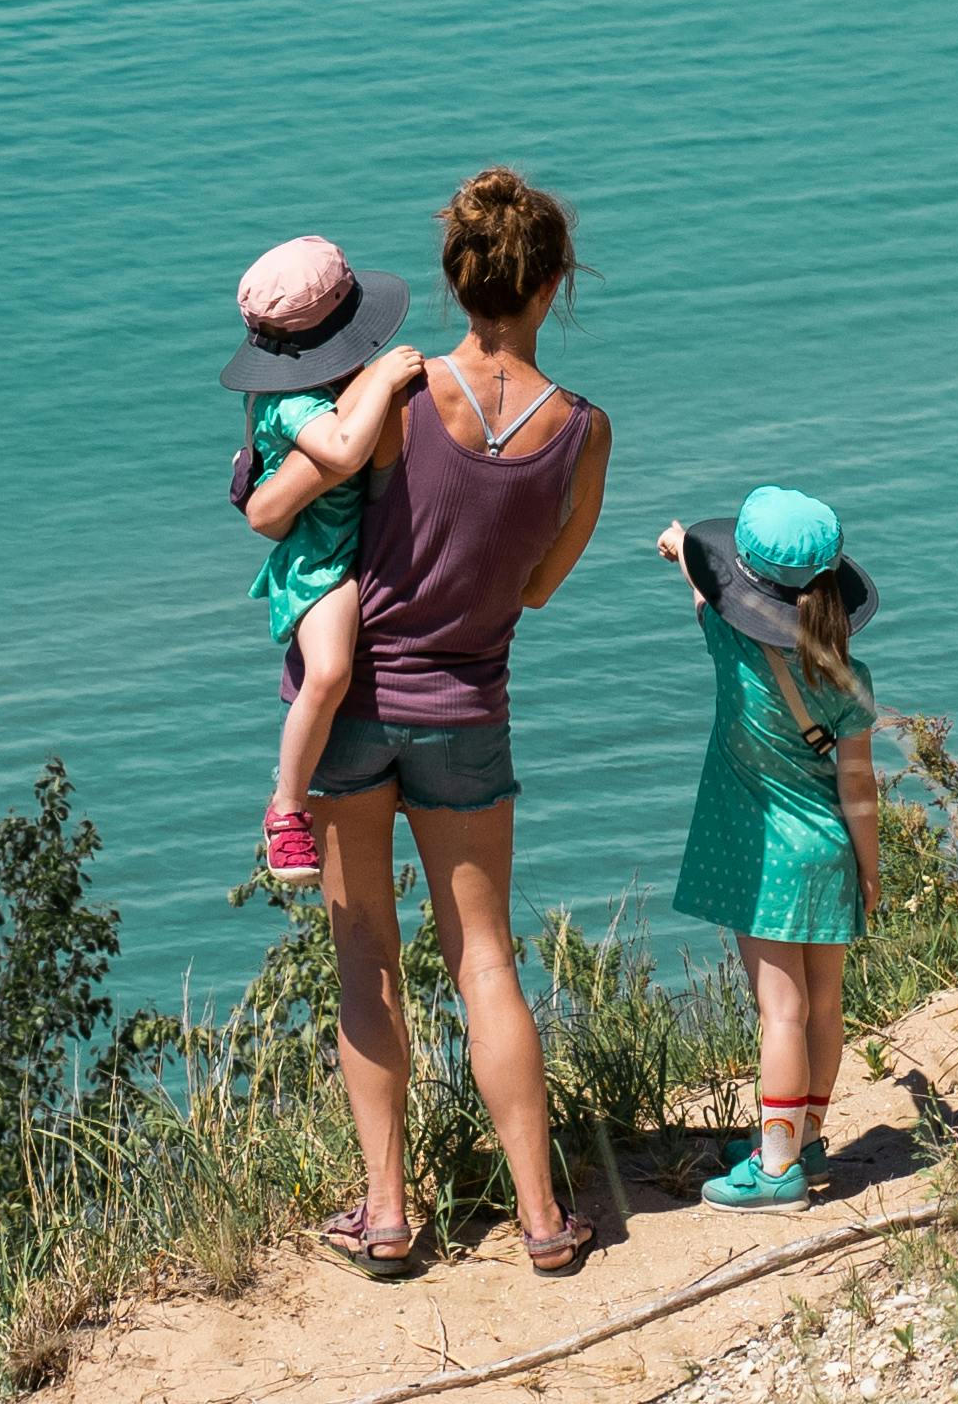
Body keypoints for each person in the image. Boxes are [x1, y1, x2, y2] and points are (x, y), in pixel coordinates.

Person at [245, 166, 611, 1280]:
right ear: (553, 286)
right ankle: (544, 1220)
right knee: (485, 962)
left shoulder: (395, 399)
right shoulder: (583, 434)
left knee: (368, 961)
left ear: (455, 284)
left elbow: (282, 505)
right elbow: (540, 586)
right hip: (468, 711)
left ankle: (388, 1215)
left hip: (353, 709)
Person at [657, 487, 882, 1211]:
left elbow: (711, 595)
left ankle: (778, 1169)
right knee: (822, 1006)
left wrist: (681, 546)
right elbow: (858, 787)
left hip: (769, 861)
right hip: (829, 852)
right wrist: (868, 868)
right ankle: (802, 1134)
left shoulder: (733, 645)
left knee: (779, 1012)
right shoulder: (850, 677)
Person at [222, 234, 426, 886]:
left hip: (346, 542)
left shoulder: (310, 382)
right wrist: (385, 377)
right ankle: (286, 810)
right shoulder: (289, 401)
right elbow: (340, 452)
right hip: (321, 557)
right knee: (331, 670)